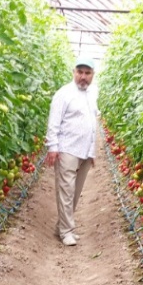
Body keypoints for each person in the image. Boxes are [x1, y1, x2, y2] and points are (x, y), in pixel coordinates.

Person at [45, 57, 98, 246]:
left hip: (85, 150)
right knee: (66, 191)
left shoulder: (92, 93)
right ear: (74, 72)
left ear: (92, 75)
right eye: (80, 72)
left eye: (87, 73)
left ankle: (62, 226)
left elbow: (92, 122)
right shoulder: (64, 94)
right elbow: (53, 122)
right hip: (67, 148)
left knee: (75, 192)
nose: (83, 77)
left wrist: (92, 151)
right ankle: (67, 231)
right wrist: (53, 147)